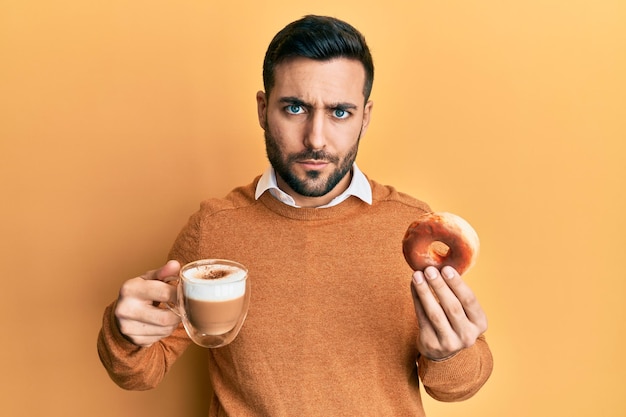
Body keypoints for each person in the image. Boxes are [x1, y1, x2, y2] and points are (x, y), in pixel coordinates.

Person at [98, 15, 493, 416]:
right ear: (263, 109)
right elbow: (140, 371)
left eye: (340, 112)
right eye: (295, 108)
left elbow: (459, 386)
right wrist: (124, 330)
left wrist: (447, 355)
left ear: (365, 117)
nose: (316, 138)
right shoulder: (213, 228)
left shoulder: (410, 227)